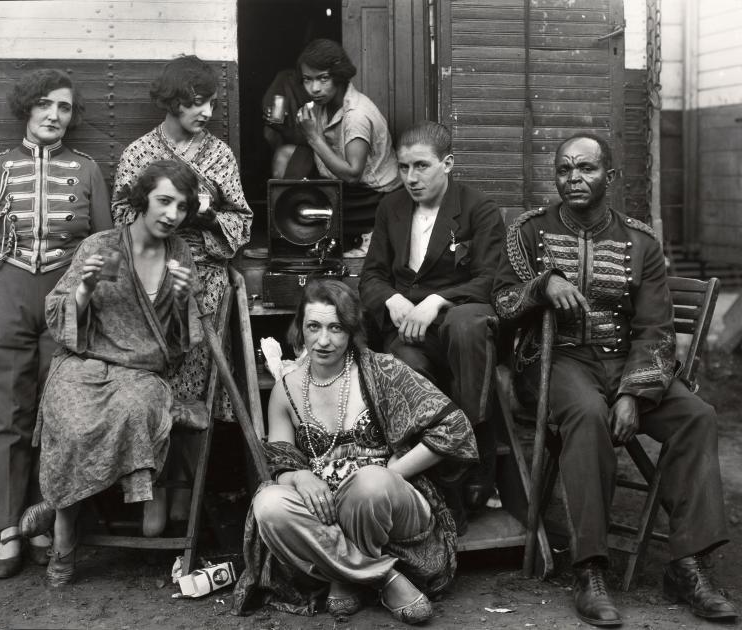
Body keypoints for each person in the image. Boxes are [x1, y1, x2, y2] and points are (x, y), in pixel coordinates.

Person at [492, 133, 737, 626]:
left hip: (626, 365)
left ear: (610, 175)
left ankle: (688, 564)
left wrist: (632, 392)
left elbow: (656, 329)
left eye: (585, 168)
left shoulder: (639, 241)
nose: (574, 178)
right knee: (586, 414)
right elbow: (500, 304)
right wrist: (542, 285)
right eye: (564, 170)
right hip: (556, 361)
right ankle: (590, 567)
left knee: (696, 416)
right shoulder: (529, 233)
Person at [232, 279, 478, 623]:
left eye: (336, 328)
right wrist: (300, 475)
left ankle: (341, 573)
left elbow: (456, 428)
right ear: (299, 328)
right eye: (313, 327)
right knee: (268, 505)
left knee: (369, 484)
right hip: (327, 514)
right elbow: (280, 461)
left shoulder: (382, 370)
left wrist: (394, 472)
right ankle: (381, 577)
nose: (323, 340)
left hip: (389, 504)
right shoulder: (286, 389)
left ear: (351, 331)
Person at [0, 68, 113, 578]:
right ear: (27, 108)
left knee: (58, 414)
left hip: (66, 297)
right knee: (6, 411)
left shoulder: (88, 170)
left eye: (64, 107)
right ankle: (7, 528)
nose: (54, 115)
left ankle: (44, 520)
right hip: (6, 294)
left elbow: (105, 247)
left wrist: (95, 307)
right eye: (45, 104)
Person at [22, 160, 204, 587]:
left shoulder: (179, 254)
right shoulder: (101, 246)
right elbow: (60, 319)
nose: (171, 215)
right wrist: (84, 288)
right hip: (85, 363)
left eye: (181, 206)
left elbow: (180, 343)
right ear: (143, 200)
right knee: (68, 415)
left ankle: (57, 508)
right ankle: (64, 534)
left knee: (132, 407)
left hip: (142, 371)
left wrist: (181, 301)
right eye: (163, 201)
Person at [111, 55, 252, 530]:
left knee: (195, 389)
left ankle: (186, 500)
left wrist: (209, 215)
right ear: (172, 102)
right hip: (149, 283)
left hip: (204, 286)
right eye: (195, 103)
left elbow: (243, 221)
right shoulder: (138, 154)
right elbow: (119, 217)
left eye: (210, 102)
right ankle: (151, 495)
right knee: (152, 386)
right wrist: (160, 225)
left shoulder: (218, 155)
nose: (206, 112)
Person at [358, 121, 505, 530]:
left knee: (466, 326)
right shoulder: (392, 208)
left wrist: (436, 301)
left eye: (421, 167)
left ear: (448, 164)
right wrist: (392, 299)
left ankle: (470, 454)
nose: (410, 178)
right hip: (410, 334)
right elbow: (370, 276)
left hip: (457, 330)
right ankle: (432, 477)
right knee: (405, 361)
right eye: (403, 168)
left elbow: (492, 279)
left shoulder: (479, 209)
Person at [281, 38, 402, 256]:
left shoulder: (356, 115)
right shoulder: (321, 105)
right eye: (308, 80)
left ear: (338, 76)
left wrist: (313, 137)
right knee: (294, 195)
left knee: (306, 213)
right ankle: (287, 222)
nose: (314, 88)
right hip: (346, 187)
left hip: (374, 196)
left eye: (323, 78)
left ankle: (367, 234)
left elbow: (354, 175)